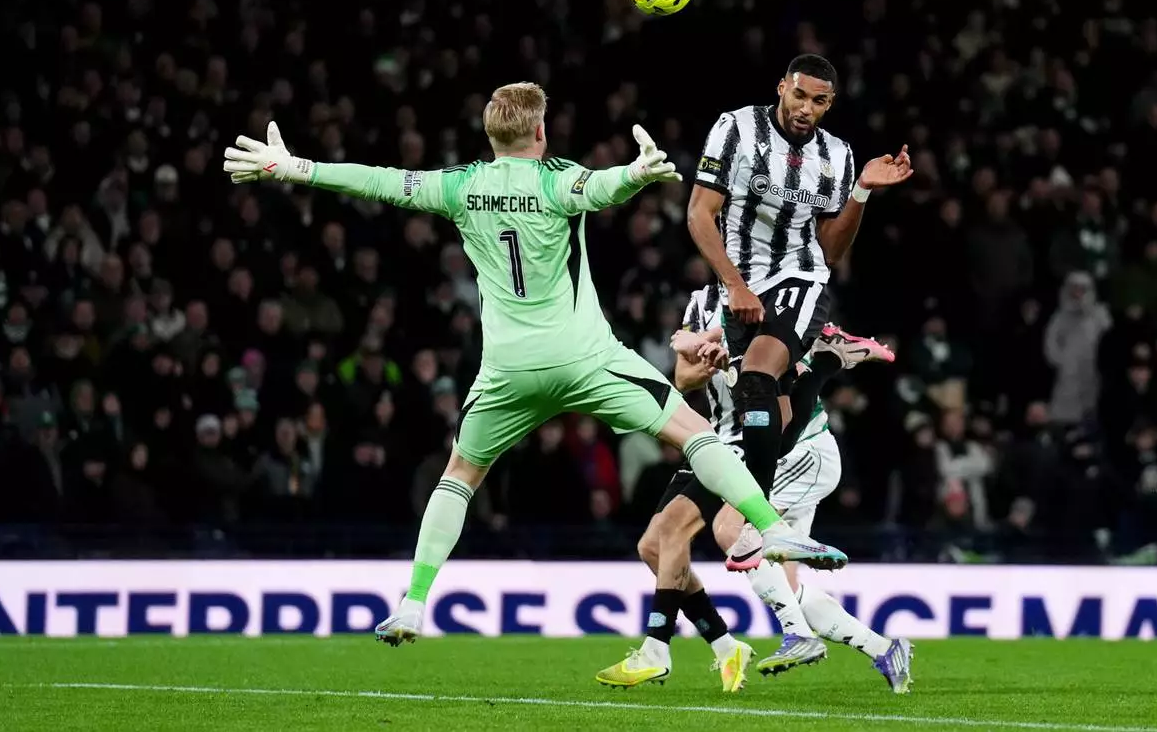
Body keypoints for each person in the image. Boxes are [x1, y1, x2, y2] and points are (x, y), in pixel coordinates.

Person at [222, 82, 843, 653]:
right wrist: (637, 173)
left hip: (508, 371)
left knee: (460, 475)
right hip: (585, 359)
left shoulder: (461, 186)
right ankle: (770, 528)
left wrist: (295, 168)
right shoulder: (556, 179)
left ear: (490, 135)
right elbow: (602, 188)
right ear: (540, 132)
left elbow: (379, 181)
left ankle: (413, 602)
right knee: (697, 433)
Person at [597, 286, 910, 692]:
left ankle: (675, 646)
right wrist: (711, 359)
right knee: (655, 547)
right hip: (720, 441)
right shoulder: (700, 303)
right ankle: (881, 648)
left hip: (788, 446)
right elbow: (683, 378)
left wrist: (736, 356)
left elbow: (785, 386)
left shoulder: (774, 295)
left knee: (723, 530)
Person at [686, 55, 913, 566]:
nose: (806, 108)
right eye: (800, 95)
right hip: (741, 283)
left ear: (830, 104)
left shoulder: (837, 155)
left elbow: (830, 251)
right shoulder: (736, 129)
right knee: (778, 418)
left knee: (757, 375)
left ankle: (762, 523)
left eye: (819, 101)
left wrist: (861, 191)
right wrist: (734, 285)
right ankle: (825, 364)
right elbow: (700, 213)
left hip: (800, 278)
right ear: (781, 88)